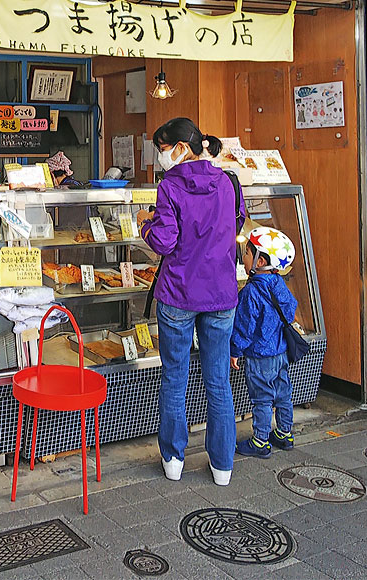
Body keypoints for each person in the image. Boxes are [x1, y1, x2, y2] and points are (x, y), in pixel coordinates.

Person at [136, 117, 246, 486]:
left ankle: (173, 459)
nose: (161, 156)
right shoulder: (227, 181)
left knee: (175, 378)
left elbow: (164, 241)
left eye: (163, 148)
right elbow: (236, 224)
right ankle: (222, 466)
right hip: (220, 294)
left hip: (179, 294)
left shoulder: (170, 185)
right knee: (218, 381)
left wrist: (145, 224)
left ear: (182, 148)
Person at [230, 226, 299, 458]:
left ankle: (260, 441)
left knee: (262, 399)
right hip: (280, 352)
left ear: (260, 262)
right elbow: (290, 309)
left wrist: (235, 350)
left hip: (259, 356)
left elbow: (244, 327)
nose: (244, 257)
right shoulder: (278, 283)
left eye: (247, 253)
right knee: (283, 394)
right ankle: (285, 433)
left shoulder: (251, 292)